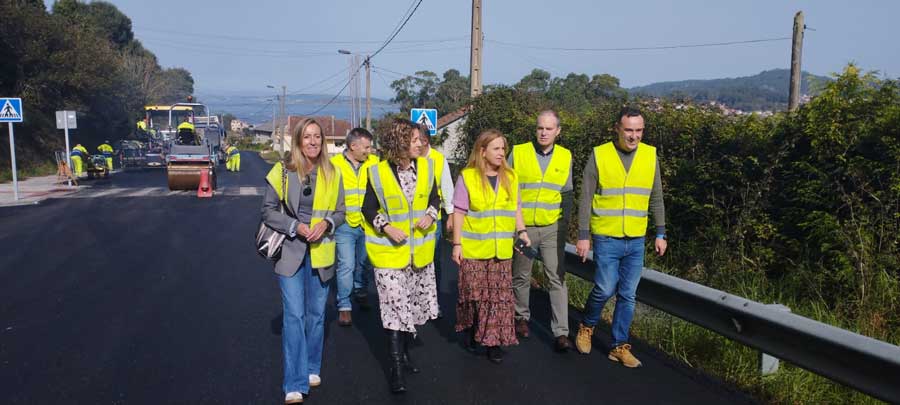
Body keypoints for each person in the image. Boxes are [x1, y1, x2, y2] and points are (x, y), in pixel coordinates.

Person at [574, 106, 668, 368]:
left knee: (628, 294)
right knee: (605, 287)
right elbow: (586, 197)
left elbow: (656, 197)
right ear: (617, 128)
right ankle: (587, 325)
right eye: (628, 130)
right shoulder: (600, 154)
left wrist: (661, 232)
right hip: (606, 235)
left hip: (636, 238)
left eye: (638, 130)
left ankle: (618, 346)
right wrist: (583, 235)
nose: (633, 136)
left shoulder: (650, 156)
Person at [261, 118, 345, 403]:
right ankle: (293, 382)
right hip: (290, 252)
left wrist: (328, 224)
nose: (312, 142)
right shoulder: (282, 171)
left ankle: (311, 367)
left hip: (322, 251)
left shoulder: (333, 172)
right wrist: (295, 227)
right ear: (297, 141)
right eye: (307, 137)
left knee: (317, 315)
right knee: (294, 316)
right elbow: (268, 212)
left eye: (317, 137)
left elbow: (341, 211)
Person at [362, 118, 439, 393]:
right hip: (389, 256)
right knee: (395, 310)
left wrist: (431, 216)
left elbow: (434, 198)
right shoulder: (377, 172)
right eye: (415, 139)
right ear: (400, 142)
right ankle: (396, 371)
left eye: (421, 140)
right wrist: (387, 227)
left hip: (418, 255)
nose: (421, 144)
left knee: (412, 309)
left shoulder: (427, 168)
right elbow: (368, 209)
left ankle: (405, 356)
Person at [451, 129, 530, 364]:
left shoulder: (512, 177)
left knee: (497, 299)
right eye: (496, 148)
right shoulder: (467, 177)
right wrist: (457, 244)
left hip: (501, 251)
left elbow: (515, 208)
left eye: (503, 148)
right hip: (474, 250)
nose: (501, 153)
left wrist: (522, 231)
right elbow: (459, 212)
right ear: (482, 151)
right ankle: (472, 327)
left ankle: (493, 342)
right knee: (474, 296)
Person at [508, 110, 574, 352]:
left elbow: (566, 195)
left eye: (549, 128)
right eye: (540, 128)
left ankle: (561, 332)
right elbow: (506, 188)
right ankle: (521, 318)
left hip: (551, 227)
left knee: (556, 278)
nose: (544, 132)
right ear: (535, 129)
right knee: (521, 274)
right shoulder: (519, 152)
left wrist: (564, 226)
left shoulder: (566, 156)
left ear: (558, 131)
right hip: (523, 227)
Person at [330, 128, 379, 326]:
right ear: (353, 146)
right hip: (345, 224)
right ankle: (344, 306)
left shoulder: (375, 164)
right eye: (366, 147)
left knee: (363, 263)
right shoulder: (334, 165)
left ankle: (360, 290)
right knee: (346, 265)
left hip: (368, 224)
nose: (370, 150)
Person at [416, 125, 454, 318]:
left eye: (417, 140)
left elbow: (446, 187)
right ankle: (415, 299)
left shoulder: (438, 160)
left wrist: (451, 215)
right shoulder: (409, 157)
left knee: (433, 261)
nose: (413, 144)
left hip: (433, 219)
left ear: (426, 141)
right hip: (411, 220)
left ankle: (433, 301)